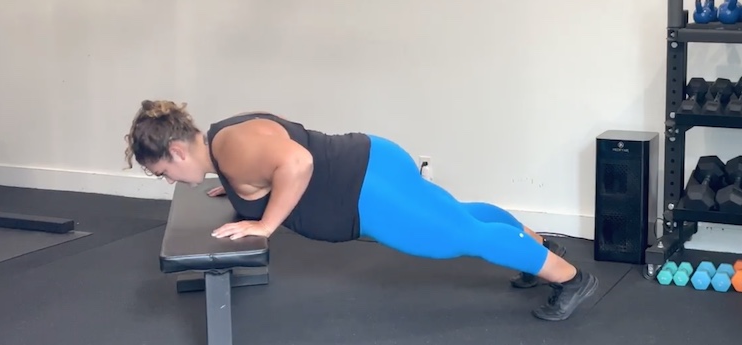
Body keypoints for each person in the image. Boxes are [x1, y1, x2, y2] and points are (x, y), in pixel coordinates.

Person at [124, 100, 599, 321]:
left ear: (177, 152)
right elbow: (274, 162)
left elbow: (296, 160)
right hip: (371, 161)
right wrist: (238, 193)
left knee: (456, 238)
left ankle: (571, 278)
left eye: (161, 171)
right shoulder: (225, 138)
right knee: (458, 215)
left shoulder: (232, 152)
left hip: (366, 191)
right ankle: (536, 248)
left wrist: (266, 223)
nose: (167, 180)